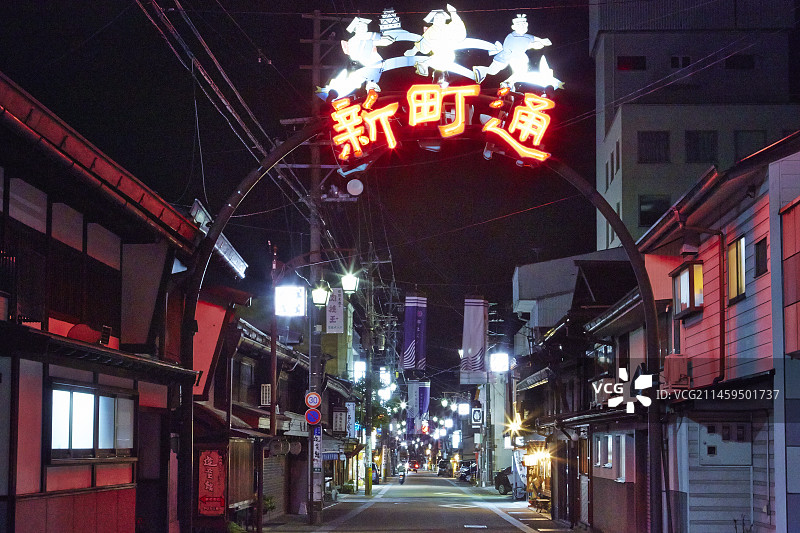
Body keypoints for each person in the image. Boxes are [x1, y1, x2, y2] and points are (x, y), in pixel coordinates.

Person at [473, 14, 551, 84]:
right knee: (493, 71)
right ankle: (481, 70)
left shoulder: (527, 37)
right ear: (514, 27)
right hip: (504, 57)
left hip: (516, 59)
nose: (522, 27)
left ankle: (508, 83)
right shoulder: (511, 36)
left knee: (521, 71)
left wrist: (542, 41)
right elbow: (513, 47)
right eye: (520, 25)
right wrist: (531, 45)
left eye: (524, 25)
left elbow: (534, 38)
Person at [404, 4, 466, 76]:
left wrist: (453, 13)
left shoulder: (449, 27)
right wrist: (413, 50)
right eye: (436, 18)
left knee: (442, 60)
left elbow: (457, 24)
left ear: (445, 19)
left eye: (441, 18)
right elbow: (423, 42)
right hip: (436, 54)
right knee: (434, 61)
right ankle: (424, 67)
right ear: (433, 20)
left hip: (448, 54)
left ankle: (425, 66)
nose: (439, 20)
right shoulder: (430, 31)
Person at [341, 17, 394, 92]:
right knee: (375, 66)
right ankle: (365, 81)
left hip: (373, 58)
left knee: (379, 65)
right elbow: (354, 52)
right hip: (363, 59)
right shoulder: (353, 40)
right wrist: (375, 42)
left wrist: (386, 40)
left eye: (364, 26)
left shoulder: (368, 36)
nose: (363, 28)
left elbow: (379, 40)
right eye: (360, 27)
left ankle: (369, 82)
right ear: (355, 29)